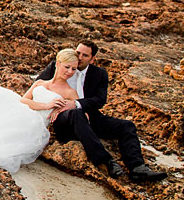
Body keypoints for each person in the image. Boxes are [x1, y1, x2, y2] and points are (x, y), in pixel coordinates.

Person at [38, 40, 167, 182]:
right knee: (76, 113)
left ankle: (138, 168)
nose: (79, 57)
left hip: (89, 116)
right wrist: (52, 106)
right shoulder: (59, 67)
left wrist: (75, 103)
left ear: (92, 59)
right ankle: (106, 160)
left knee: (127, 126)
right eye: (78, 52)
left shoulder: (99, 74)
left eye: (85, 55)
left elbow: (100, 100)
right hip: (63, 119)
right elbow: (38, 89)